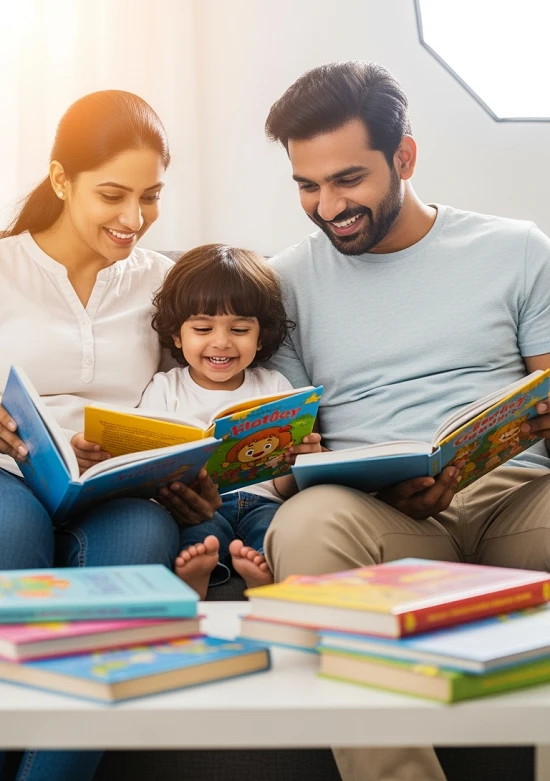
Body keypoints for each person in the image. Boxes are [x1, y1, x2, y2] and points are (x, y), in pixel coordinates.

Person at [262, 61, 550, 781]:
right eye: (307, 185)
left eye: (347, 180)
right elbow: (293, 445)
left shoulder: (516, 249)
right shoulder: (285, 283)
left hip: (516, 498)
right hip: (381, 514)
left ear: (405, 157)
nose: (328, 207)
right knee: (304, 526)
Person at [0, 89, 217, 781]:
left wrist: (196, 469)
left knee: (144, 543)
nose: (134, 219)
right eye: (113, 195)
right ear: (62, 179)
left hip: (119, 487)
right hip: (12, 474)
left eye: (150, 196)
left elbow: (198, 394)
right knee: (11, 537)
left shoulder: (166, 283)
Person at [138, 243, 322, 599]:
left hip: (264, 503)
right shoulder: (165, 389)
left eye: (239, 330)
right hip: (198, 509)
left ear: (260, 335)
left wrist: (299, 461)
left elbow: (284, 488)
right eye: (203, 330)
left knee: (273, 532)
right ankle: (199, 578)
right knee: (199, 538)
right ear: (177, 334)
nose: (221, 343)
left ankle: (262, 578)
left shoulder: (275, 387)